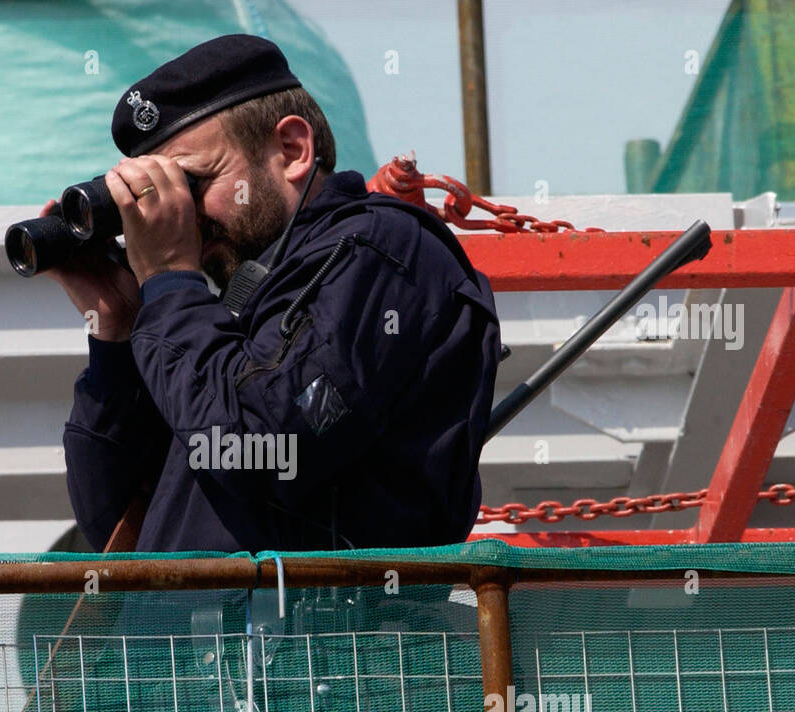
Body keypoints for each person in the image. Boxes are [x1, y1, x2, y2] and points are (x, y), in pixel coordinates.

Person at [47, 34, 502, 552]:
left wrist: (170, 282)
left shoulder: (380, 253)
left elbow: (260, 449)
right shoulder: (228, 307)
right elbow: (111, 523)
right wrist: (120, 332)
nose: (181, 216)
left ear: (291, 150)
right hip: (190, 634)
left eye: (191, 184)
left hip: (328, 633)